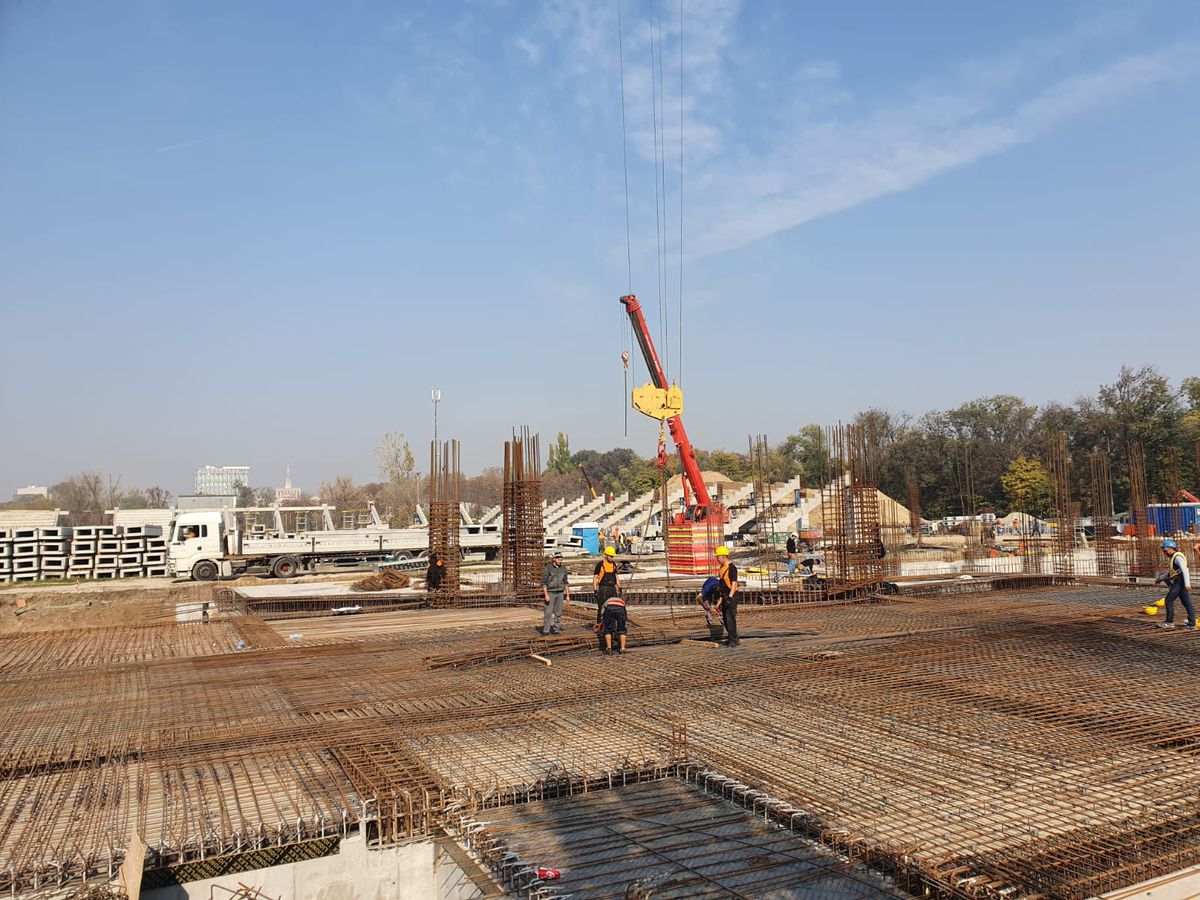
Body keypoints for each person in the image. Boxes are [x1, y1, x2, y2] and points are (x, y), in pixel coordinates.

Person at [1155, 539, 1195, 629]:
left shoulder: (1177, 557)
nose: (1164, 552)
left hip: (1180, 582)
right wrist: (1160, 578)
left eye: (1165, 550)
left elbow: (1185, 570)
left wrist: (1187, 584)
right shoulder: (1174, 557)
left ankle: (1169, 622)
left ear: (1171, 548)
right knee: (1186, 603)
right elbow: (1171, 572)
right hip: (1180, 581)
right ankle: (1192, 624)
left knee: (1168, 600)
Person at [712, 545, 740, 646]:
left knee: (730, 618)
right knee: (725, 618)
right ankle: (731, 637)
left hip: (731, 596)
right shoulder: (722, 568)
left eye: (718, 557)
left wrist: (730, 597)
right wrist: (719, 602)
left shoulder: (731, 567)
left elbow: (734, 583)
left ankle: (733, 640)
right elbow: (722, 586)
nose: (717, 559)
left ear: (723, 556)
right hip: (724, 595)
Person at [541, 551, 570, 635]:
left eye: (561, 559)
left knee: (558, 613)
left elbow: (566, 582)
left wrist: (567, 595)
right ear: (554, 559)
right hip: (550, 593)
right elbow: (544, 582)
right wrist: (546, 595)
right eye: (558, 559)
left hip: (560, 593)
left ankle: (556, 629)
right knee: (548, 613)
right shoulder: (548, 568)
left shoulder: (563, 569)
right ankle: (546, 630)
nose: (560, 561)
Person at [593, 545, 620, 628]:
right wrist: (595, 590)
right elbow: (595, 578)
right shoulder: (600, 565)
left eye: (613, 556)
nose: (612, 558)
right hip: (603, 588)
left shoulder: (614, 565)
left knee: (613, 607)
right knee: (602, 607)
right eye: (611, 556)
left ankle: (612, 624)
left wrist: (619, 587)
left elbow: (616, 576)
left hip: (612, 588)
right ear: (606, 555)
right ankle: (600, 625)